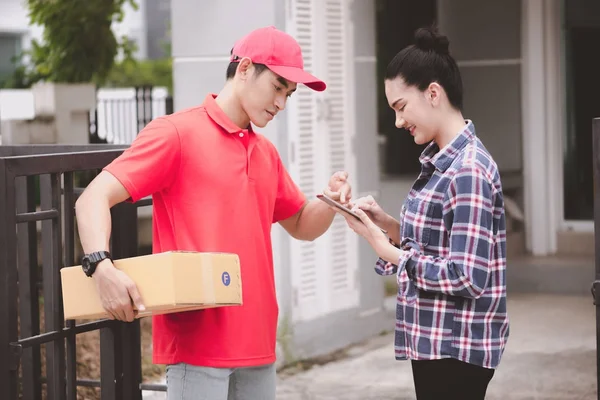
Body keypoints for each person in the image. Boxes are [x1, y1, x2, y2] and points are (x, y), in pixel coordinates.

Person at [75, 26, 352, 400]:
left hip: (258, 345)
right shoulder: (175, 133)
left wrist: (331, 199)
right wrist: (101, 266)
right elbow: (92, 197)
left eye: (289, 94)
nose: (281, 104)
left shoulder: (265, 152)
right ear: (244, 69)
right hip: (197, 347)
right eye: (277, 87)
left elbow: (302, 224)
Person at [331, 26, 509, 399]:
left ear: (433, 93)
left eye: (400, 107)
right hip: (438, 342)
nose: (398, 122)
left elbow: (467, 276)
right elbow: (440, 245)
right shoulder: (443, 164)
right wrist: (385, 225)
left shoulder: (469, 170)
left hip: (457, 348)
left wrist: (389, 251)